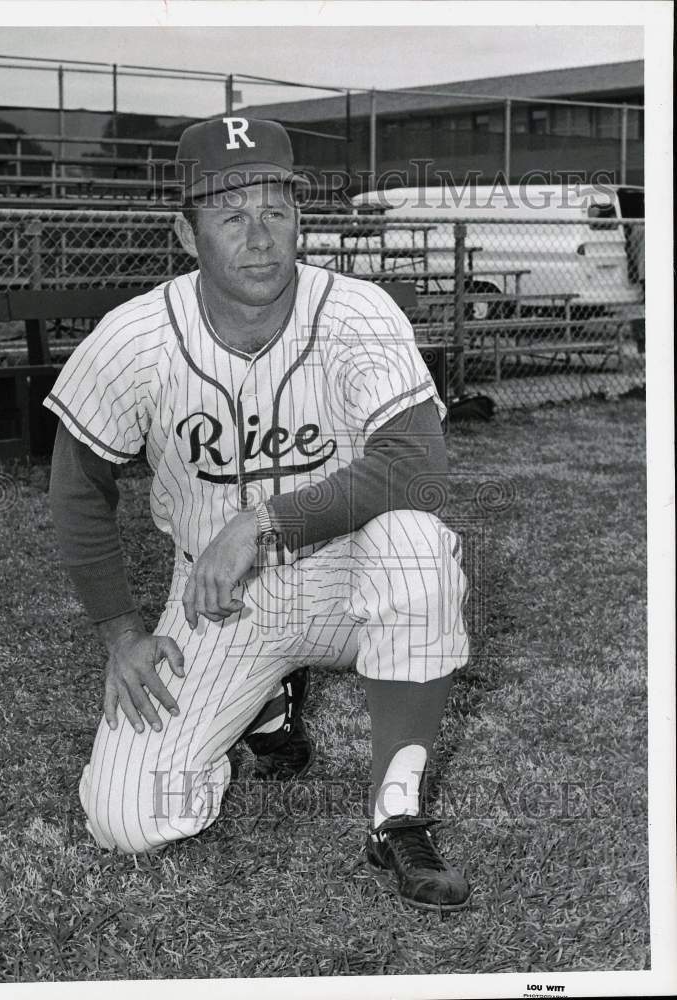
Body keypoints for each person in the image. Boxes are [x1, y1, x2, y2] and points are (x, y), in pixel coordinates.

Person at [45, 117, 471, 911]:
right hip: (221, 599)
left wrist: (260, 522)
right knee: (127, 818)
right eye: (229, 214)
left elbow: (418, 468)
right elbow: (76, 490)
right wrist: (120, 634)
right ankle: (264, 703)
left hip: (354, 573)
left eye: (275, 210)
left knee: (417, 546)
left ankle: (397, 812)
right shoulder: (131, 339)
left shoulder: (358, 312)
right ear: (185, 229)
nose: (259, 236)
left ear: (299, 219)